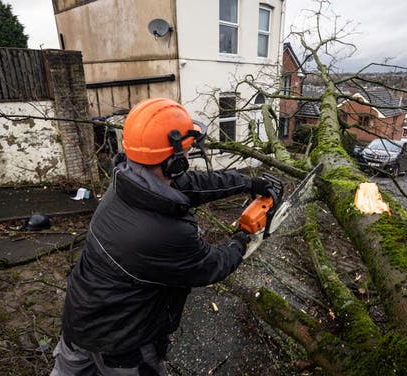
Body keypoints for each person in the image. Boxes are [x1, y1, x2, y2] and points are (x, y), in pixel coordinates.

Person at [51, 98, 274, 376]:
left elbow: (192, 186)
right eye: (187, 152)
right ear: (175, 161)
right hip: (122, 341)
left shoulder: (127, 182)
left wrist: (246, 182)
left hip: (79, 317)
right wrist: (241, 240)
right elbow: (210, 266)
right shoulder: (165, 232)